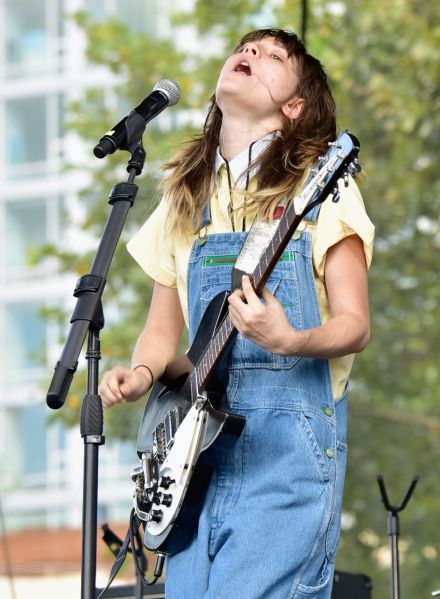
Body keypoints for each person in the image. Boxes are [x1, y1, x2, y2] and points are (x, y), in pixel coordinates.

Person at [99, 28, 374, 599]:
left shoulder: (320, 185)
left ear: (294, 107)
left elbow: (356, 325)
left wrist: (289, 339)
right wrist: (141, 374)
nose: (249, 54)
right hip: (196, 462)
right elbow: (161, 328)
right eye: (246, 48)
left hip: (285, 459)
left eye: (273, 57)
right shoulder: (184, 196)